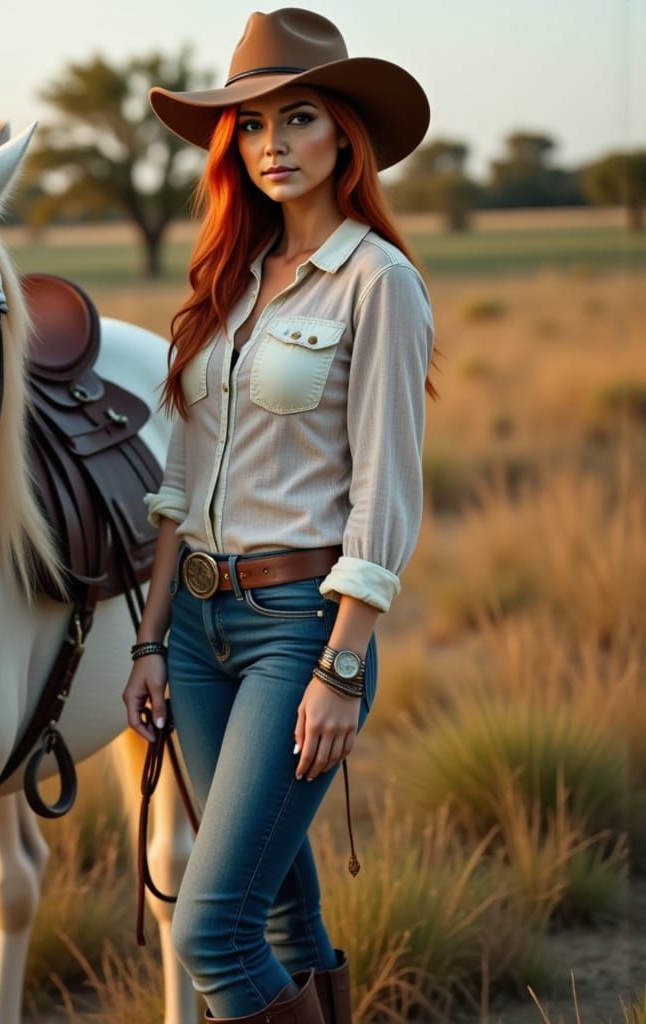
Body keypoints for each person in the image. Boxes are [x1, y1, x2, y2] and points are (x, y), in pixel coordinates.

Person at [122, 9, 438, 1024]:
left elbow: (384, 488)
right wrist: (150, 639)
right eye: (249, 128)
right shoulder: (228, 281)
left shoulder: (377, 282)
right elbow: (178, 483)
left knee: (210, 929)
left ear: (344, 133)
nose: (270, 147)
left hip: (297, 627)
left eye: (295, 119)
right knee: (283, 910)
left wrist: (341, 667)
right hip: (199, 635)